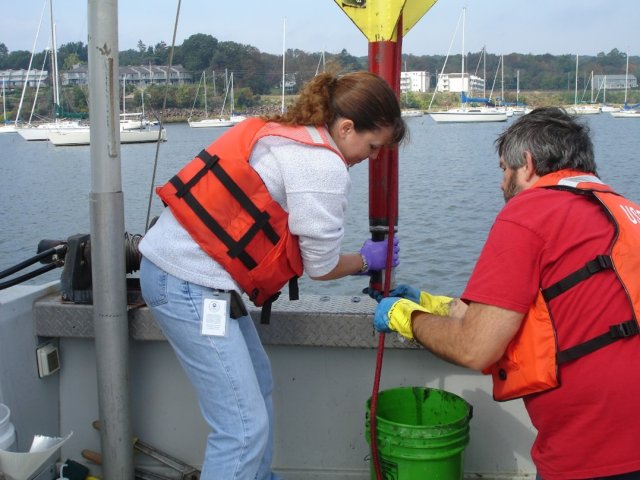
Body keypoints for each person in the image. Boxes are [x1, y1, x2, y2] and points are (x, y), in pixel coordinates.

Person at [138, 71, 406, 480]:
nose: (371, 157)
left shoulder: (289, 133)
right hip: (188, 284)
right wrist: (368, 260)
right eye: (372, 146)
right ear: (347, 127)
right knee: (242, 428)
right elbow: (321, 267)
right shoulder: (323, 166)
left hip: (182, 276)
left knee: (258, 391)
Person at [372, 107, 640, 480]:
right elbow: (544, 304)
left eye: (503, 169)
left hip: (593, 450)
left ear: (527, 165)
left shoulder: (531, 210)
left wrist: (406, 316)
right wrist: (433, 304)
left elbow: (474, 347)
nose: (500, 184)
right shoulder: (624, 211)